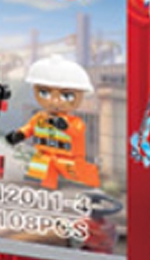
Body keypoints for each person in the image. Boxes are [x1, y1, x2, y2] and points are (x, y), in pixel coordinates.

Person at [5, 55, 100, 189]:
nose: (54, 101)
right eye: (45, 93)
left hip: (68, 159)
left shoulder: (75, 122)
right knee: (40, 167)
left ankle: (80, 185)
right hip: (44, 155)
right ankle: (42, 186)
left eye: (66, 96)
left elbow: (76, 131)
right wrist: (18, 135)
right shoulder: (40, 117)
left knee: (77, 177)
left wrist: (63, 125)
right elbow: (29, 128)